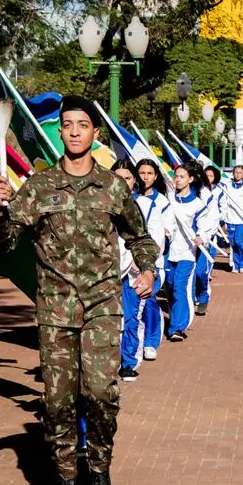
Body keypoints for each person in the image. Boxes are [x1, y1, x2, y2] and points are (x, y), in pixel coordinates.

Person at [0, 95, 159, 485]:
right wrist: (0, 207)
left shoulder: (114, 187)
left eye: (84, 124)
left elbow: (139, 237)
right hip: (56, 312)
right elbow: (1, 243)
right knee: (59, 401)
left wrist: (149, 268)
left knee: (101, 395)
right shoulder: (40, 187)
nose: (76, 131)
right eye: (68, 125)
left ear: (95, 133)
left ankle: (98, 477)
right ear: (60, 132)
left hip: (102, 306)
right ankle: (66, 481)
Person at [166, 162, 210, 342]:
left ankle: (178, 327)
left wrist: (202, 237)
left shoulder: (198, 205)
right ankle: (175, 317)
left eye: (182, 176)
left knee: (179, 288)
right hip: (168, 252)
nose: (177, 179)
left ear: (190, 180)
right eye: (176, 176)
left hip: (186, 254)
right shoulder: (169, 199)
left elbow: (204, 227)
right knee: (169, 288)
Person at [135, 158, 173, 362]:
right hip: (129, 262)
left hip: (154, 262)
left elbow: (169, 229)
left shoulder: (162, 202)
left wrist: (165, 234)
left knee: (148, 300)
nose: (145, 177)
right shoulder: (129, 198)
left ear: (155, 176)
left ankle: (150, 341)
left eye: (149, 173)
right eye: (141, 173)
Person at [111, 159, 144, 383]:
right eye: (118, 177)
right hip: (105, 273)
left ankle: (128, 362)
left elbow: (149, 239)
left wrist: (141, 260)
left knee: (130, 317)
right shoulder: (100, 204)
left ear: (135, 182)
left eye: (128, 178)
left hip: (131, 273)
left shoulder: (140, 207)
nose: (123, 182)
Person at [193, 165, 223, 316]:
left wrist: (204, 236)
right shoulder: (177, 195)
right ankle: (191, 300)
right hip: (184, 243)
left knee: (200, 273)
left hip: (202, 242)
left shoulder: (206, 194)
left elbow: (214, 217)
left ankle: (203, 294)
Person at [222, 165, 243, 273]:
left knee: (238, 241)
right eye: (236, 172)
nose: (238, 174)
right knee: (233, 243)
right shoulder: (227, 186)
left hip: (241, 219)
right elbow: (224, 202)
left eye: (240, 173)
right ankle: (236, 265)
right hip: (230, 218)